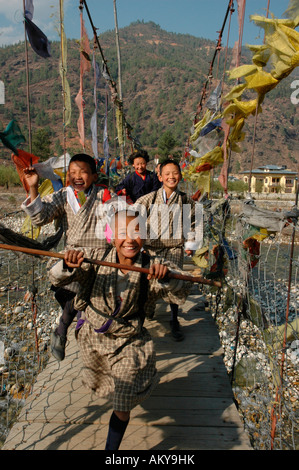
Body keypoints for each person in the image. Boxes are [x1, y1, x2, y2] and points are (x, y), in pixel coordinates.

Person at [48, 208, 191, 450]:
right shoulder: (95, 258)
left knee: (122, 400)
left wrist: (168, 278)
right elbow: (56, 278)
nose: (129, 239)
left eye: (137, 232)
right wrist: (67, 264)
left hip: (129, 339)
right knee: (100, 384)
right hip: (94, 336)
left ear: (144, 238)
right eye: (122, 233)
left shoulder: (153, 266)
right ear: (112, 237)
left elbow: (182, 289)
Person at [21, 153, 111, 361]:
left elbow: (118, 222)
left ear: (94, 176)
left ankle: (72, 336)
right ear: (68, 176)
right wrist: (33, 186)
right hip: (73, 256)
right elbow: (39, 218)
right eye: (72, 173)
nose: (77, 176)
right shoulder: (63, 195)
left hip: (100, 257)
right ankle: (63, 332)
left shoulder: (104, 195)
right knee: (73, 291)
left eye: (83, 172)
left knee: (97, 304)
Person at [134, 159, 203, 341]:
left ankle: (174, 319)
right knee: (147, 286)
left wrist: (190, 244)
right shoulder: (147, 200)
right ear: (160, 177)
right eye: (167, 174)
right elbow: (134, 220)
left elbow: (195, 223)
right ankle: (142, 316)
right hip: (151, 252)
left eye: (175, 173)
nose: (171, 177)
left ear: (180, 176)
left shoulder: (187, 201)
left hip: (174, 250)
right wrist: (136, 245)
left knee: (173, 284)